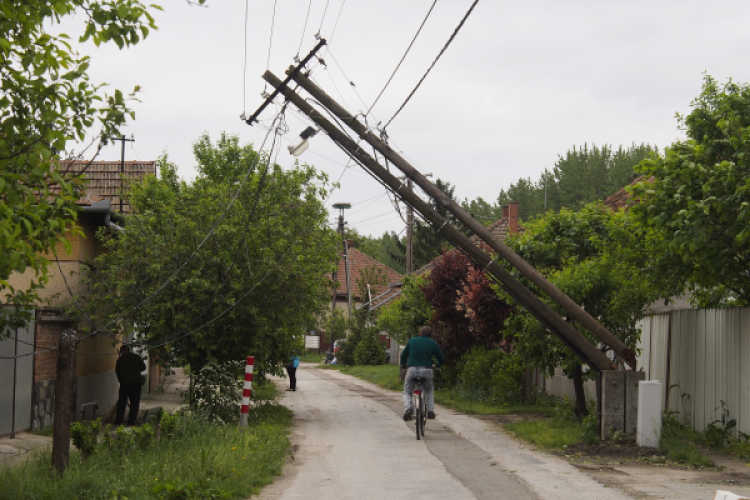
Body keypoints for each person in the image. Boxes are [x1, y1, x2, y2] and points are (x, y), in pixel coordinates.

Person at [400, 326, 445, 421]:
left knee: (408, 391)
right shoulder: (432, 342)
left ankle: (408, 409)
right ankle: (430, 411)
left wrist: (404, 365)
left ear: (420, 333)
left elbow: (403, 356)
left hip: (412, 370)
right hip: (427, 370)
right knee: (429, 389)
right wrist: (437, 365)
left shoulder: (412, 341)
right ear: (430, 335)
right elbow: (442, 358)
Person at [114, 345, 146, 425]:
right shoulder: (136, 357)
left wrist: (120, 380)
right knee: (134, 402)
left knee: (122, 402)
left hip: (125, 383)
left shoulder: (120, 359)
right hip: (136, 384)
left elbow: (117, 371)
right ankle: (131, 420)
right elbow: (143, 368)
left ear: (122, 351)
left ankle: (119, 420)